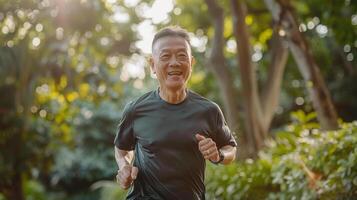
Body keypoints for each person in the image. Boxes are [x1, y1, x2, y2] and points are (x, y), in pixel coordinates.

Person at [114, 26, 237, 200]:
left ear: (191, 63)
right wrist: (124, 167)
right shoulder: (136, 110)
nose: (174, 63)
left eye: (181, 56)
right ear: (153, 65)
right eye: (165, 56)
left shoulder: (208, 110)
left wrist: (219, 154)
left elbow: (230, 148)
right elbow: (121, 148)